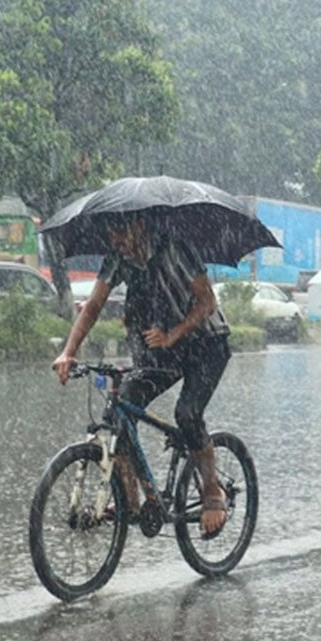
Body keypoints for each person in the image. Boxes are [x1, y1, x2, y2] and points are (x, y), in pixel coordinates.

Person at [52, 213, 231, 539]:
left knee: (188, 414)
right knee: (120, 411)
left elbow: (207, 301)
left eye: (121, 232)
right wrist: (68, 351)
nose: (116, 240)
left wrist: (173, 334)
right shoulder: (117, 258)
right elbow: (93, 305)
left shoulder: (175, 248)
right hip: (164, 350)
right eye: (111, 234)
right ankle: (130, 500)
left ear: (139, 225)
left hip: (206, 344)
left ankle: (212, 492)